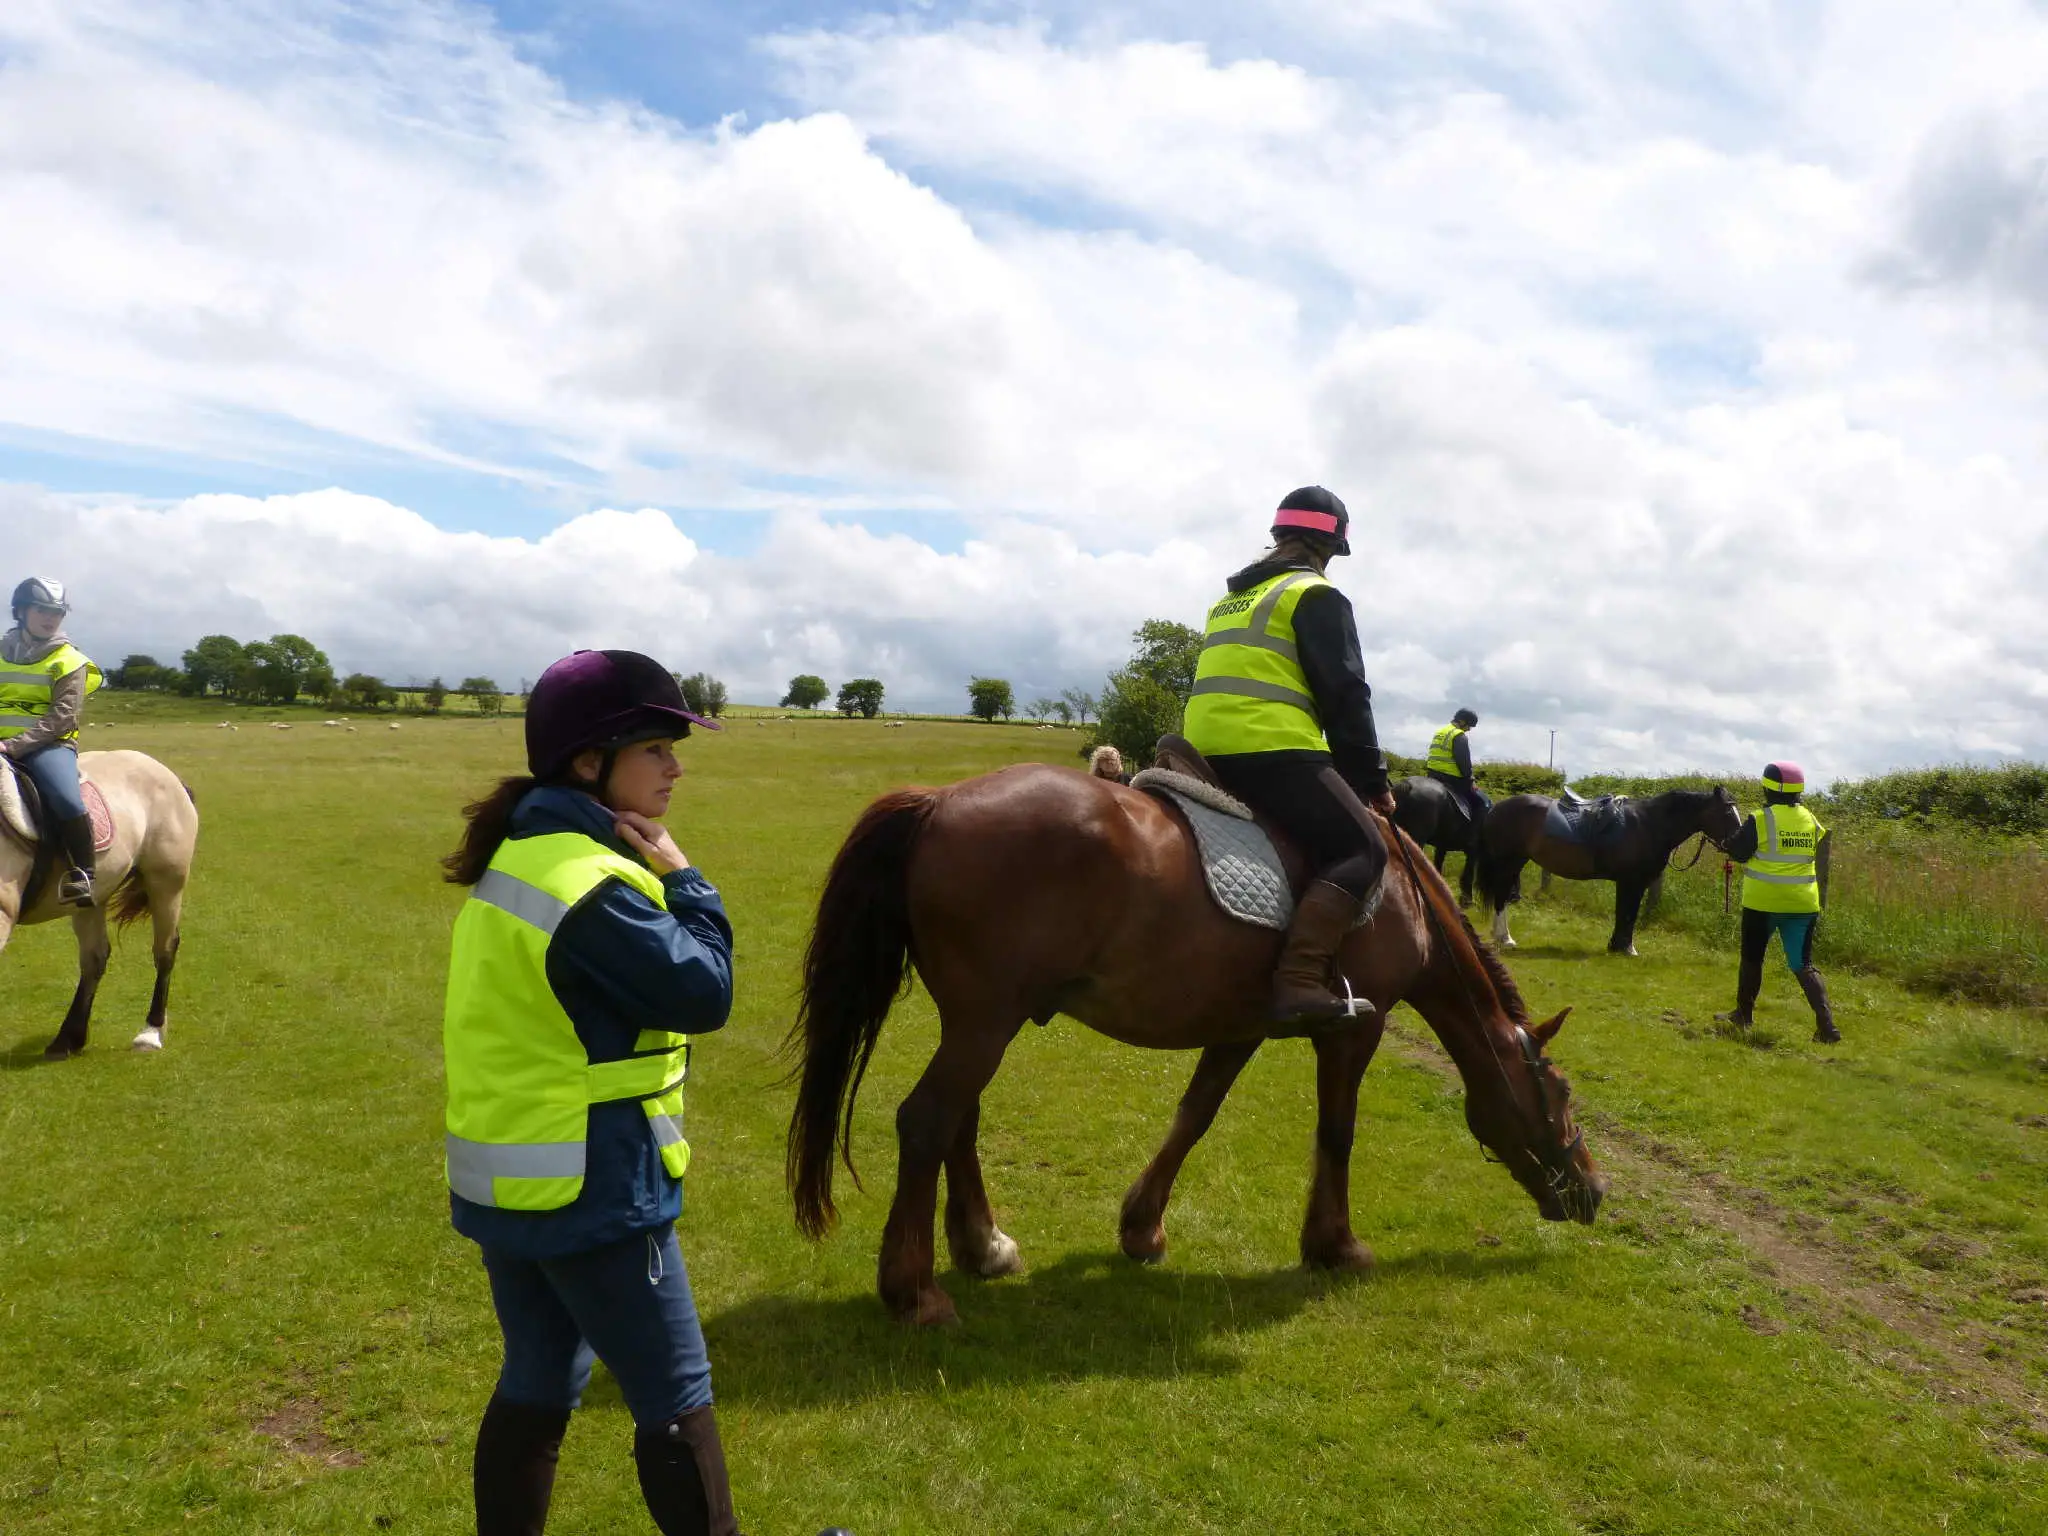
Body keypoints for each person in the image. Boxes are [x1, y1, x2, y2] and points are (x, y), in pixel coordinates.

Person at [441, 649, 753, 1536]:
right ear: (590, 763)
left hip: (512, 1177)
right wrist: (688, 882)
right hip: (598, 1184)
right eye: (656, 747)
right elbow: (704, 993)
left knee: (539, 1381)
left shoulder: (525, 857)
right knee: (675, 1395)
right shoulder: (590, 882)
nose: (676, 767)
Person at [1182, 485, 1395, 1029]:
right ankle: (1299, 982)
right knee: (1364, 850)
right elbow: (1346, 693)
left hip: (1202, 752)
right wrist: (1371, 781)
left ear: (1279, 534)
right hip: (1271, 748)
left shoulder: (1230, 600)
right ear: (1332, 547)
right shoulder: (1315, 594)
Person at [1715, 761, 1839, 1044]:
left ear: (1767, 788)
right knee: (1803, 964)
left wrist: (1729, 844)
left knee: (1752, 958)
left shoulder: (1760, 818)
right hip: (1803, 904)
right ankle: (1827, 1026)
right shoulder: (1810, 818)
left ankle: (1743, 1015)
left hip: (1763, 902)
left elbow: (1739, 852)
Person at [0, 577, 105, 905]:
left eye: (56, 612)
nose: (50, 618)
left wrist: (11, 746)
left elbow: (62, 717)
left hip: (48, 745)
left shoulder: (70, 660)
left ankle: (83, 873)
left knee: (66, 798)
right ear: (20, 612)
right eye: (41, 610)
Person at [1426, 709, 1488, 827]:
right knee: (1484, 803)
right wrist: (1470, 781)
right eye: (1469, 725)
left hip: (1432, 776)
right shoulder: (1459, 736)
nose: (1469, 729)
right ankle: (1472, 838)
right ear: (1462, 721)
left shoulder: (1440, 732)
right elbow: (1464, 763)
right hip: (1452, 779)